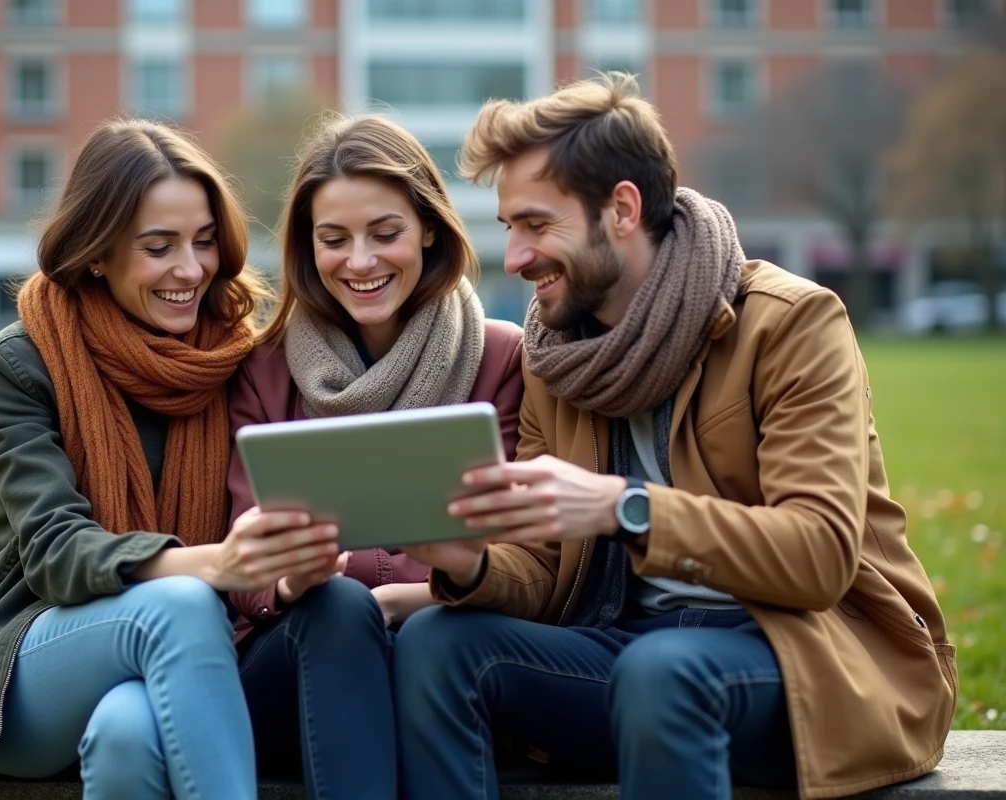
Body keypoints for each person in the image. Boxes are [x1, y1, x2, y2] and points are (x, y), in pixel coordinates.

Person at [395, 73, 957, 800]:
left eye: (536, 224)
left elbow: (819, 556)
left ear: (622, 209)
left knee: (662, 673)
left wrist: (624, 507)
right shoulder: (553, 355)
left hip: (805, 656)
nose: (516, 257)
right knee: (437, 646)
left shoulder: (789, 323)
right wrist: (470, 565)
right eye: (509, 228)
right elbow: (541, 567)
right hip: (627, 649)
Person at [0, 119, 343, 800]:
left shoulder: (237, 358)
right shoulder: (19, 364)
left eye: (203, 242)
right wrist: (214, 564)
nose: (190, 270)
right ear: (97, 253)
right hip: (40, 653)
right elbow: (55, 551)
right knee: (181, 602)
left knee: (126, 735)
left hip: (204, 649)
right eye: (158, 247)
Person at [227, 113, 524, 799]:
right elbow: (242, 561)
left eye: (385, 234)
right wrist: (291, 581)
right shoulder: (263, 371)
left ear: (428, 228)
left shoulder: (502, 357)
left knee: (428, 641)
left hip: (442, 650)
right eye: (334, 240)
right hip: (299, 658)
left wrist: (413, 598)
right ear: (309, 246)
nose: (360, 262)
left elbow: (517, 553)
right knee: (337, 607)